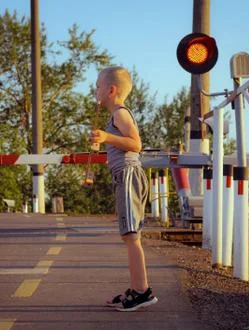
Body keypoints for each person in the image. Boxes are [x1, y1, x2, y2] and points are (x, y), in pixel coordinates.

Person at [90, 66, 158, 312]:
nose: (95, 89)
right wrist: (103, 140)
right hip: (122, 176)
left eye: (98, 85)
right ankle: (138, 287)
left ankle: (142, 292)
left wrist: (107, 138)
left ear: (111, 89)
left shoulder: (120, 113)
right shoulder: (113, 117)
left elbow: (136, 144)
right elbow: (121, 144)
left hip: (129, 175)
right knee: (128, 236)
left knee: (131, 237)